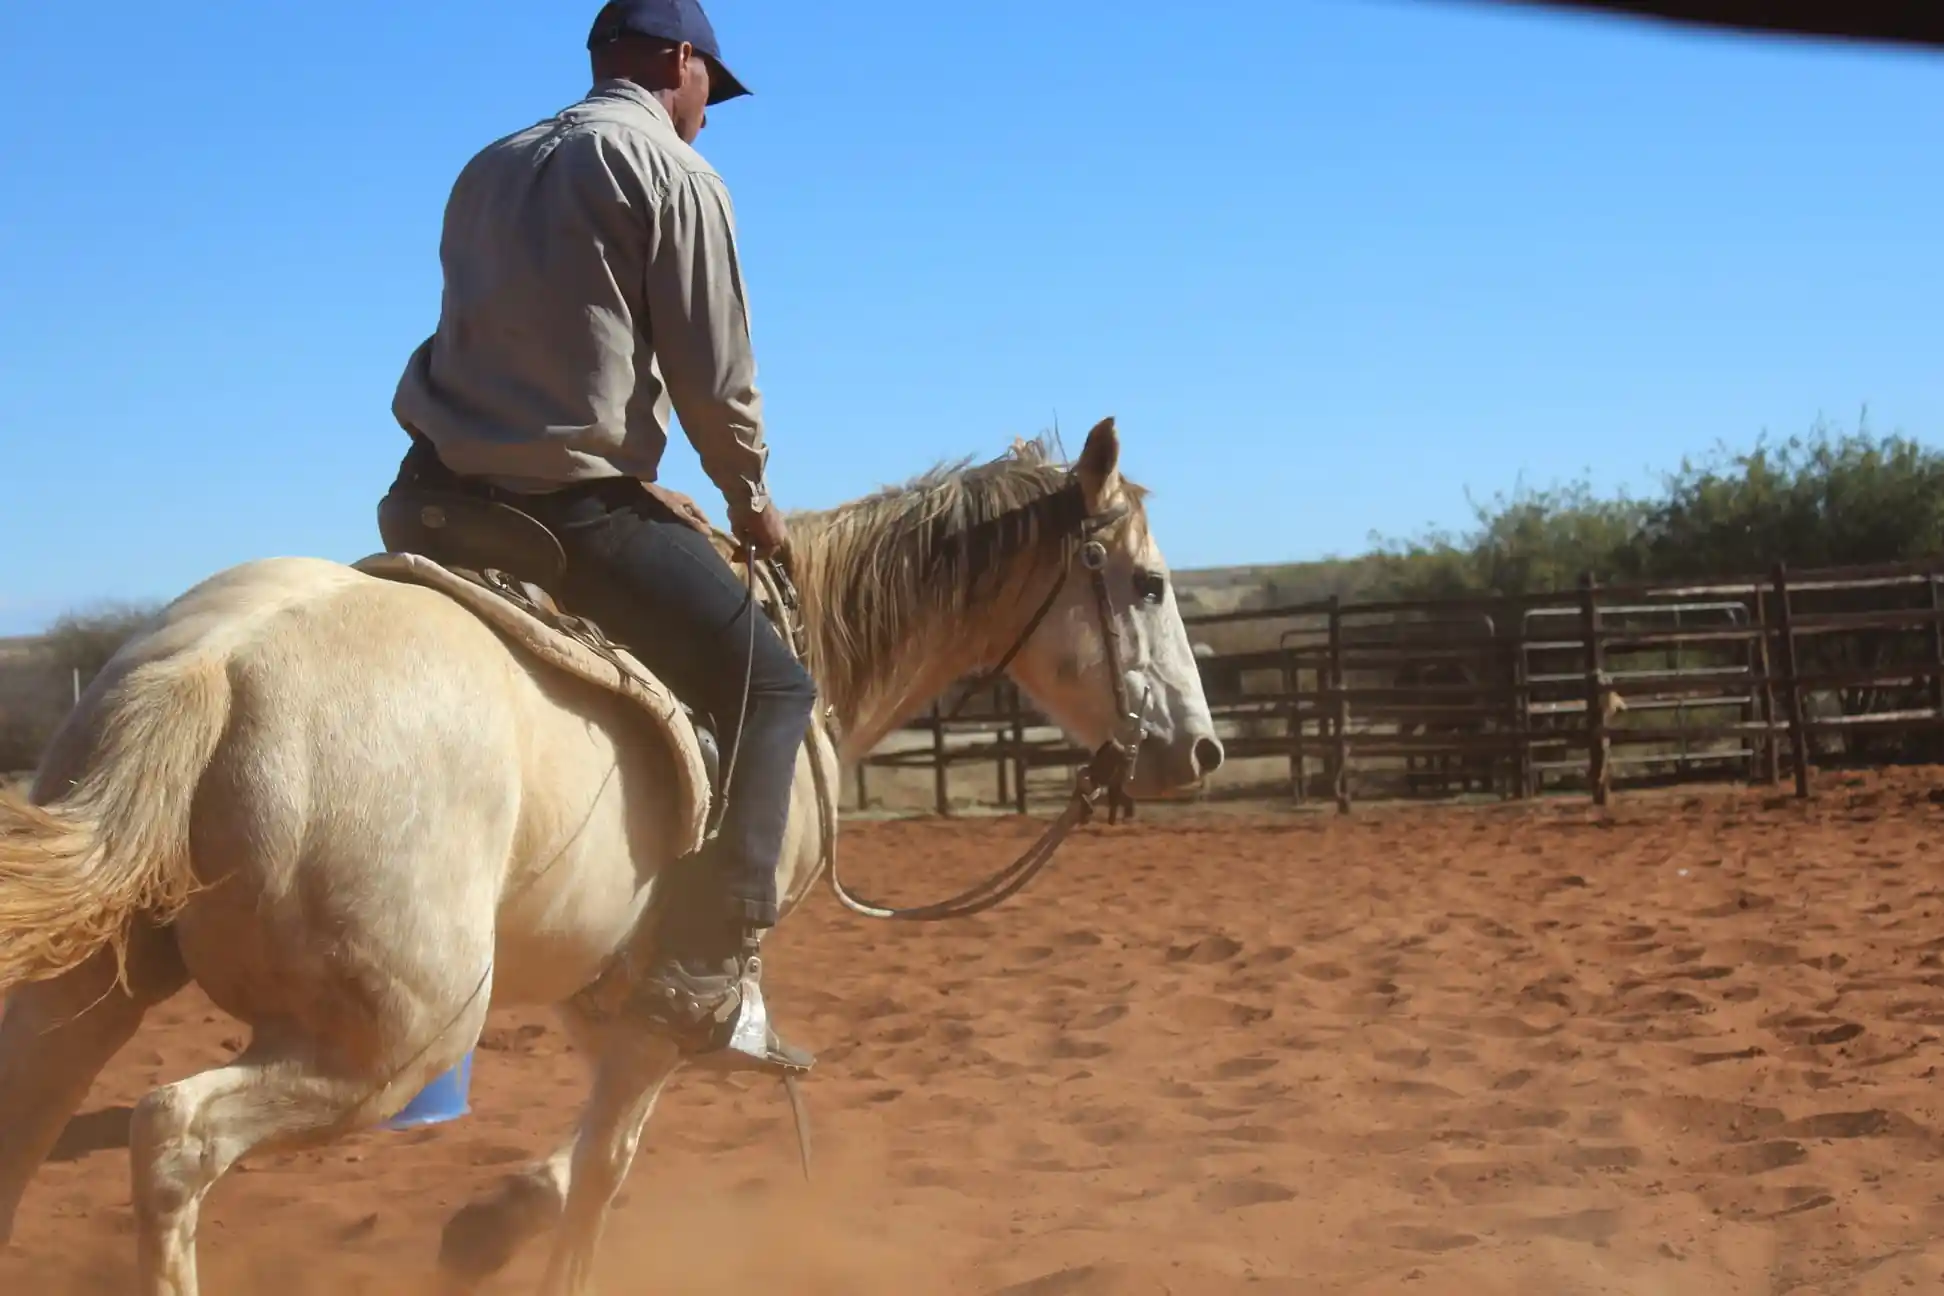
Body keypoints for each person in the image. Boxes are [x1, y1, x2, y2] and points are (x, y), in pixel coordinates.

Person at [384, 0, 814, 1073]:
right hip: (563, 515)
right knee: (775, 688)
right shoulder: (673, 173)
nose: (709, 114)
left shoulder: (488, 164)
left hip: (430, 498)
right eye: (712, 86)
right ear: (680, 62)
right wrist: (750, 501)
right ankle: (709, 967)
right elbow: (713, 380)